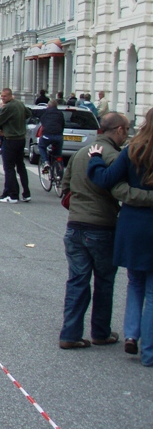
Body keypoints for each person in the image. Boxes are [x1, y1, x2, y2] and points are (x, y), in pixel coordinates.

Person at [60, 112, 153, 349]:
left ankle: (70, 334)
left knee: (77, 281)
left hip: (75, 225)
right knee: (103, 282)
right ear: (119, 130)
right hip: (101, 226)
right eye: (128, 128)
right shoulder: (112, 155)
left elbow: (65, 185)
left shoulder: (83, 152)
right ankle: (100, 332)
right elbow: (120, 190)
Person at [87, 107, 153, 366]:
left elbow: (104, 178)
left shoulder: (132, 151)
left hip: (133, 226)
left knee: (135, 283)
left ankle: (132, 335)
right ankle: (148, 352)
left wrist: (95, 158)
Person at [0, 88, 31, 203]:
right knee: (20, 166)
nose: (2, 98)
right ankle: (26, 193)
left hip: (10, 139)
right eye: (1, 96)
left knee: (9, 168)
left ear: (10, 96)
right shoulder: (19, 104)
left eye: (4, 96)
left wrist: (1, 109)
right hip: (21, 139)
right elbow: (29, 113)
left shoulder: (8, 107)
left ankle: (13, 195)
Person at [38, 100, 65, 172]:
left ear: (48, 106)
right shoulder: (60, 113)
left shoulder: (45, 112)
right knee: (58, 154)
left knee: (41, 146)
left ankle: (45, 161)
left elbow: (42, 122)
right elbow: (62, 125)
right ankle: (59, 169)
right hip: (58, 136)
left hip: (47, 135)